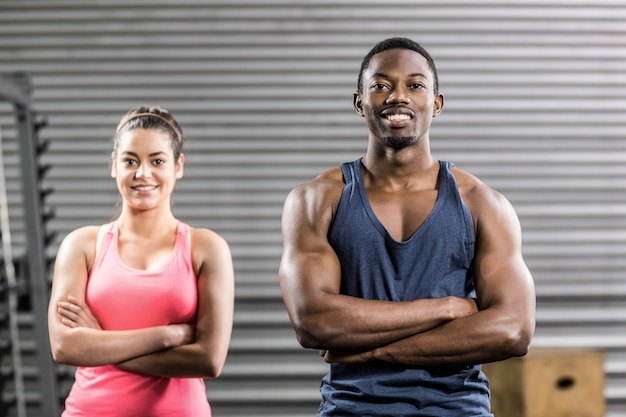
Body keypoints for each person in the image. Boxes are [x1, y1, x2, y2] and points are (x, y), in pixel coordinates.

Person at [278, 37, 536, 416]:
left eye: (415, 85)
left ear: (436, 103)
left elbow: (513, 330)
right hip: (352, 410)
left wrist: (376, 351)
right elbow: (313, 321)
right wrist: (447, 308)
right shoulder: (316, 200)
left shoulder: (482, 203)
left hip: (457, 408)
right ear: (358, 102)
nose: (398, 96)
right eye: (381, 85)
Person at [47, 105, 235, 417]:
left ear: (179, 166)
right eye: (130, 160)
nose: (142, 173)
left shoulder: (206, 248)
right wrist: (166, 336)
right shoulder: (81, 245)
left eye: (157, 161)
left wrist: (101, 345)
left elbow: (209, 360)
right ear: (113, 166)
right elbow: (65, 347)